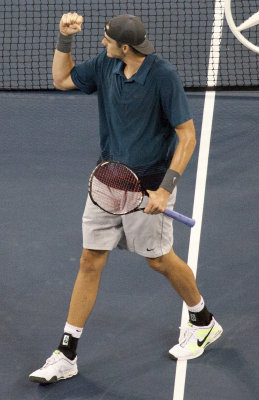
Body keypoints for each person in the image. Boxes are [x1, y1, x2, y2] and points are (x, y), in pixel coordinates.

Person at [29, 13, 223, 384]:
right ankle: (66, 353)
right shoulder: (107, 64)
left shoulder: (163, 77)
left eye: (106, 39)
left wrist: (165, 189)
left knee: (160, 261)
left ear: (125, 47)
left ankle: (203, 321)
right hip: (109, 179)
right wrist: (64, 39)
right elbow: (61, 79)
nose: (102, 43)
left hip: (149, 187)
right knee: (89, 259)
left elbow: (187, 136)